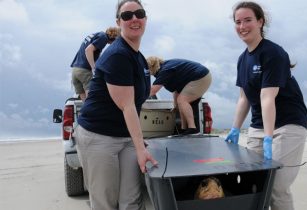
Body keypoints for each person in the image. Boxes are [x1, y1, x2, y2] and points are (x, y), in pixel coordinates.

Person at [73, 1, 157, 210]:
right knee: (105, 203)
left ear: (145, 18)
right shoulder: (118, 54)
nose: (134, 19)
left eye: (139, 13)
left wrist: (137, 142)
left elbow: (139, 101)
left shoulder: (138, 57)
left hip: (125, 137)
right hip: (98, 136)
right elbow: (127, 106)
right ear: (119, 22)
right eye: (127, 16)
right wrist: (141, 148)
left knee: (131, 200)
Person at [225, 2, 307, 210]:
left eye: (248, 20)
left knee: (277, 187)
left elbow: (267, 97)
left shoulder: (273, 53)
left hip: (287, 125)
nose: (242, 26)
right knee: (253, 185)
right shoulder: (242, 59)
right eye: (238, 22)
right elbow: (244, 98)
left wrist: (269, 137)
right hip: (258, 126)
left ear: (260, 22)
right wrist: (235, 129)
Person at [146, 56, 212, 135]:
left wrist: (137, 98)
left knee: (182, 100)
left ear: (152, 66)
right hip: (201, 75)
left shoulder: (165, 70)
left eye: (147, 69)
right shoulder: (166, 67)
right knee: (180, 102)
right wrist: (175, 105)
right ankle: (183, 129)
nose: (146, 71)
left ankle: (193, 128)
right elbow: (176, 91)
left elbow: (152, 91)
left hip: (201, 76)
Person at [70, 26, 120, 101]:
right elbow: (88, 50)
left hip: (75, 70)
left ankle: (86, 112)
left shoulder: (96, 35)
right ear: (115, 36)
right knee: (91, 99)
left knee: (85, 103)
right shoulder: (103, 37)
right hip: (84, 71)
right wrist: (93, 68)